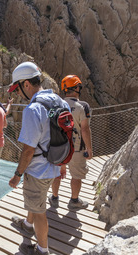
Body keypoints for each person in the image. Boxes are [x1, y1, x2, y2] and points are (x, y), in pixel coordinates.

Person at [7, 62, 70, 255]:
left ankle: (42, 251)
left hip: (38, 170)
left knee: (40, 210)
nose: (17, 94)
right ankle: (27, 224)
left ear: (26, 84)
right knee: (37, 200)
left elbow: (28, 150)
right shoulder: (61, 102)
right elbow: (66, 135)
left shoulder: (33, 110)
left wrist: (17, 175)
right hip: (54, 164)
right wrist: (62, 164)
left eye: (18, 88)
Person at [48, 75, 93, 210]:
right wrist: (89, 149)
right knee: (76, 175)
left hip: (59, 146)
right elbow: (85, 129)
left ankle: (54, 198)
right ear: (75, 88)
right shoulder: (82, 107)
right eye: (79, 87)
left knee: (57, 173)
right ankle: (74, 200)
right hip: (77, 147)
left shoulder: (56, 105)